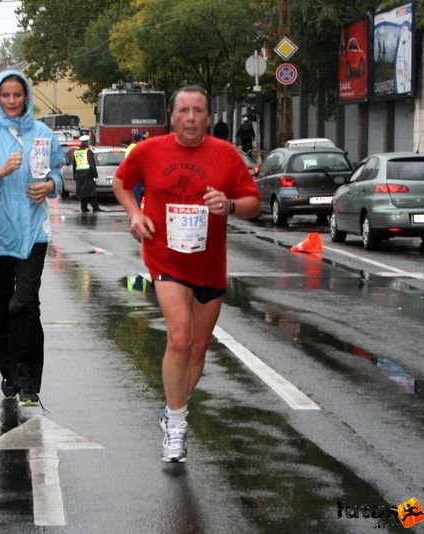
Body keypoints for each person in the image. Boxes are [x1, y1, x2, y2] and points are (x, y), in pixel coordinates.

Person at [112, 85, 261, 463]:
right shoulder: (148, 150)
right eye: (184, 111)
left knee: (197, 347)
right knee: (179, 337)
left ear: (208, 117)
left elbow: (253, 203)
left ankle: (173, 407)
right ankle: (177, 425)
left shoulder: (226, 155)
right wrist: (134, 213)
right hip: (166, 258)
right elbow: (121, 182)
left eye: (198, 111)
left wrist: (228, 205)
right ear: (172, 116)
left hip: (209, 263)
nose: (191, 118)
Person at [0, 69, 64, 406]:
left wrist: (50, 186)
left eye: (17, 95)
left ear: (27, 96)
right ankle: (9, 373)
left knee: (26, 302)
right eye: (6, 95)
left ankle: (28, 381)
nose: (12, 101)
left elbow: (59, 172)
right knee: (3, 306)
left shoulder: (44, 134)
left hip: (34, 233)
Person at [71, 135, 102, 212]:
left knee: (82, 192)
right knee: (91, 192)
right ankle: (95, 207)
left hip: (79, 174)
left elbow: (74, 165)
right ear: (87, 143)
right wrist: (95, 175)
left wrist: (75, 176)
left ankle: (84, 207)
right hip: (87, 174)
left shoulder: (76, 152)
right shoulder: (88, 151)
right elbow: (92, 164)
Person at [125, 131, 144, 206]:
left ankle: (133, 205)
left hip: (130, 172)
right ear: (140, 139)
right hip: (136, 172)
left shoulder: (129, 147)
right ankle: (137, 206)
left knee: (133, 190)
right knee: (137, 190)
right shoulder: (138, 147)